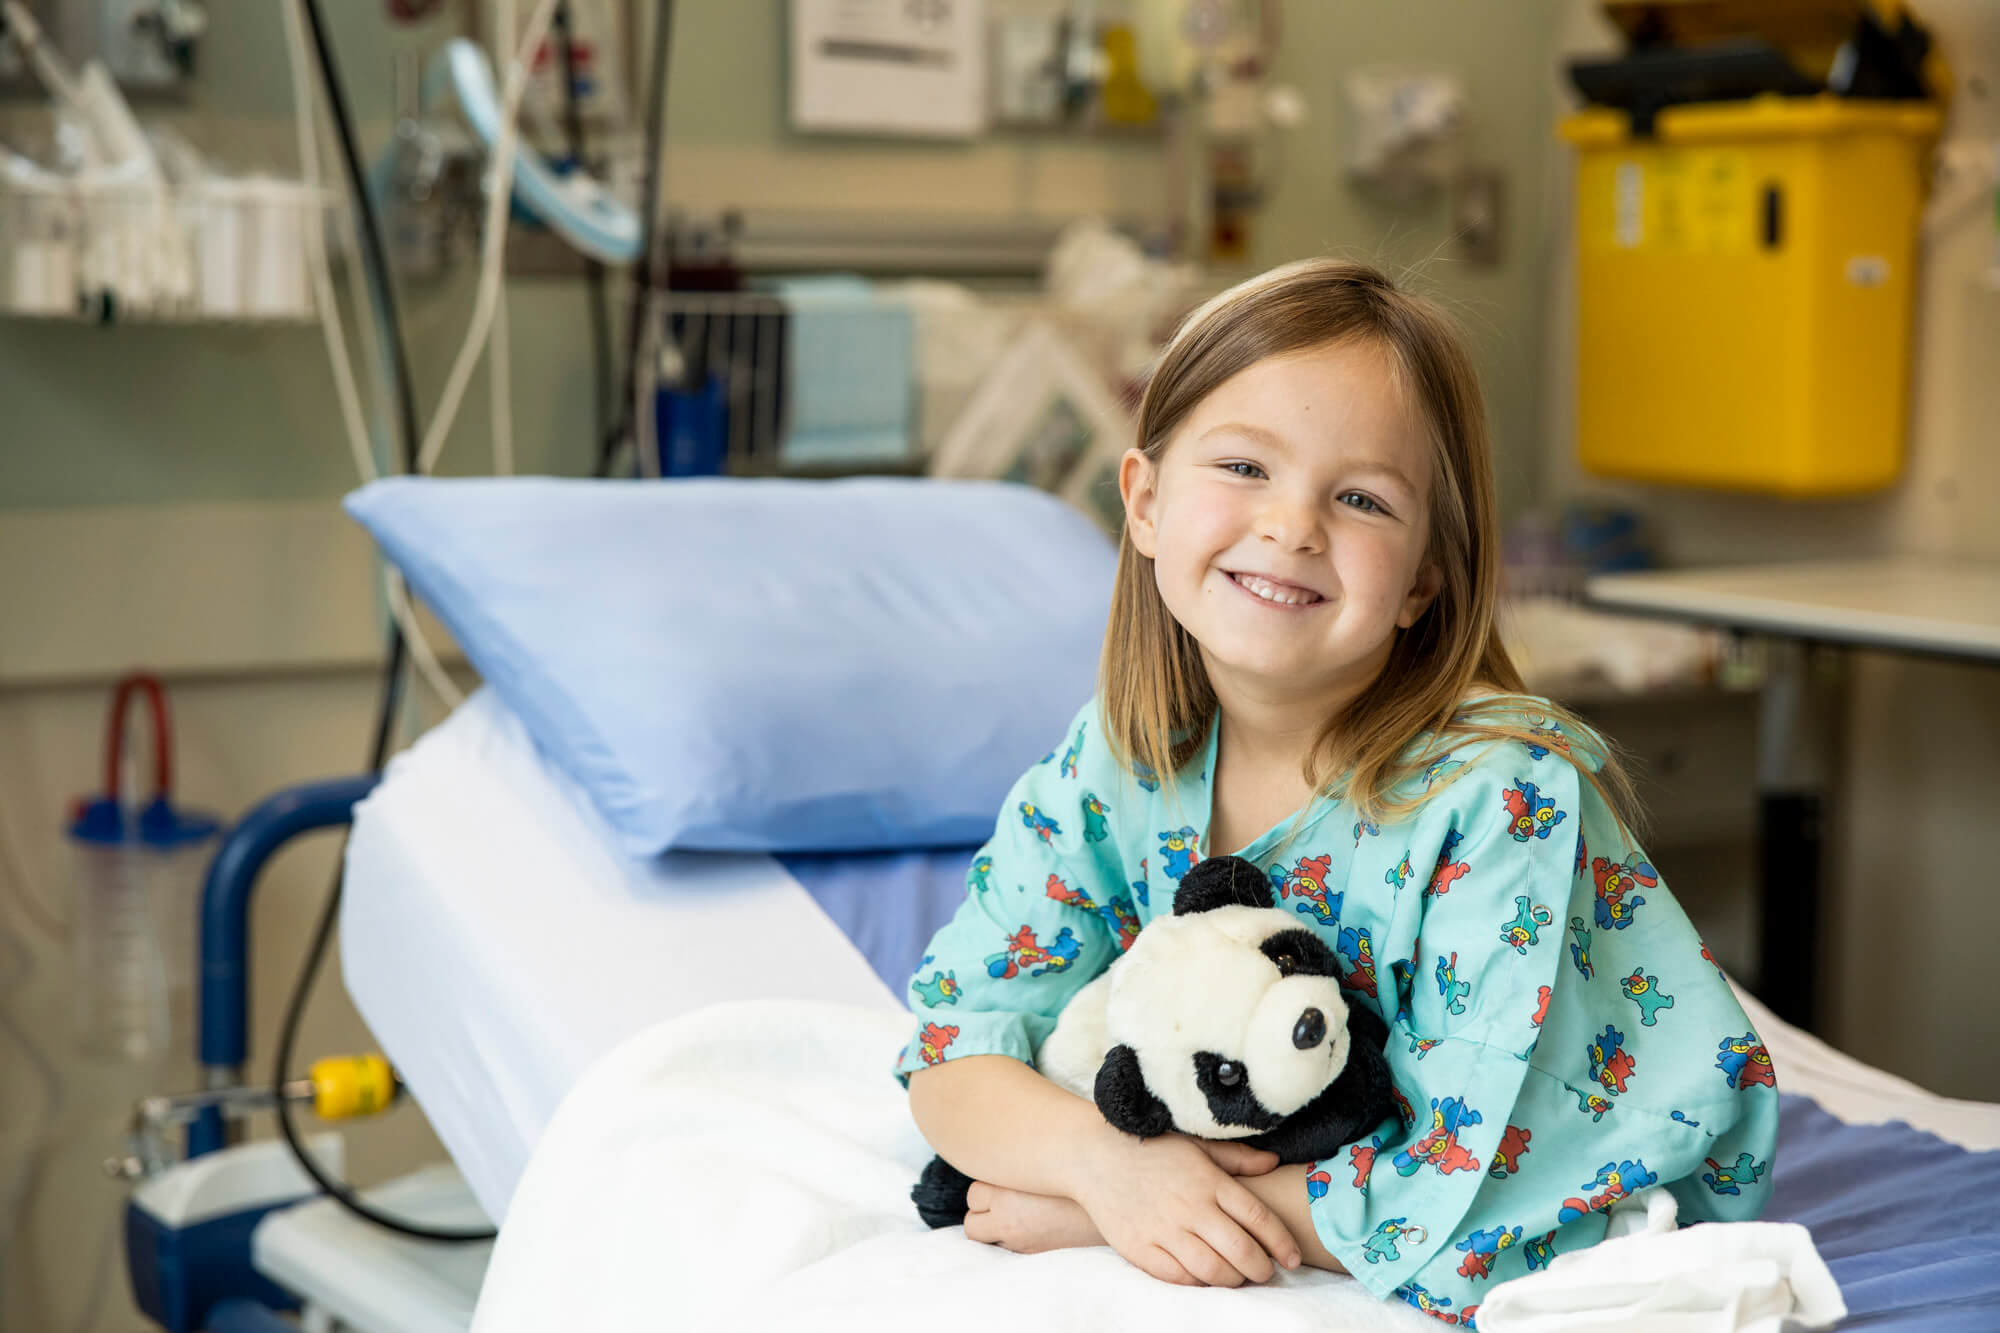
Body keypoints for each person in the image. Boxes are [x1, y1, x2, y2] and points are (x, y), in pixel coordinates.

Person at [898, 258, 1778, 1327]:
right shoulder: (1121, 762)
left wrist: (1107, 1209)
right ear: (1142, 501)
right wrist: (1097, 1164)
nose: (1292, 525)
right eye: (1242, 466)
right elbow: (953, 1053)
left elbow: (1481, 1186)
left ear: (1421, 579)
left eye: (1359, 497)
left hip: (1571, 1165)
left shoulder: (1499, 799)